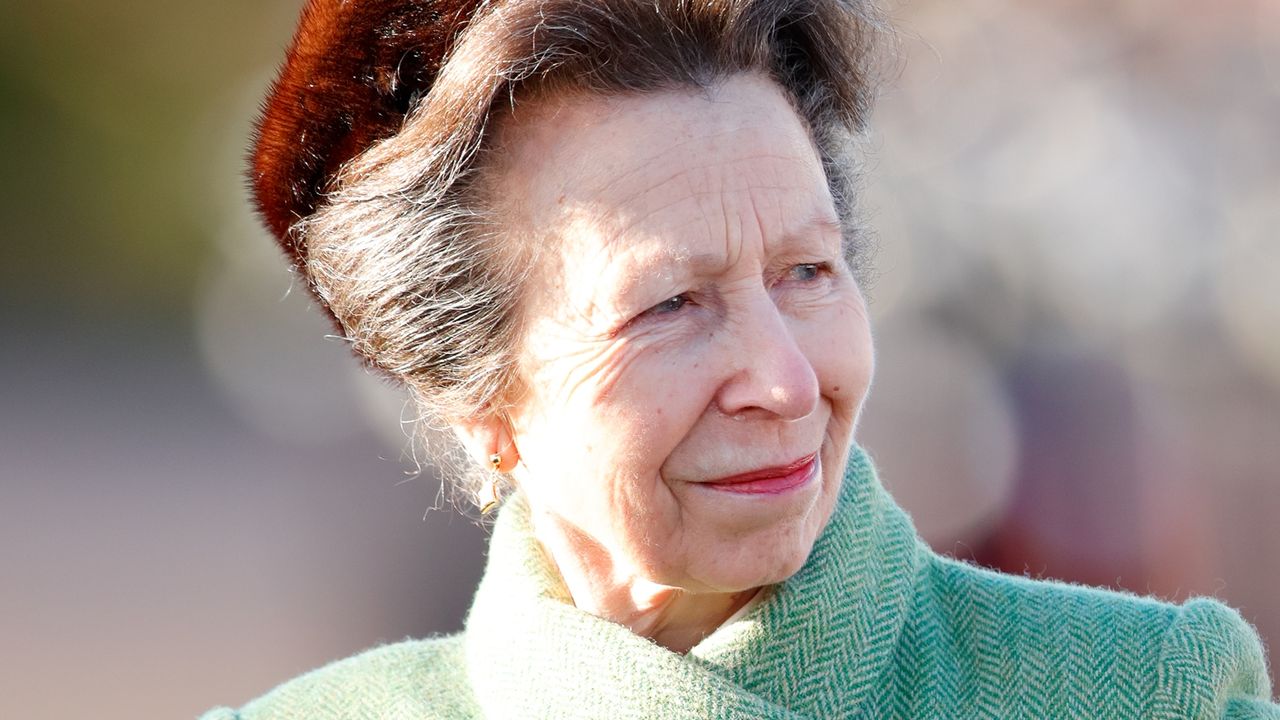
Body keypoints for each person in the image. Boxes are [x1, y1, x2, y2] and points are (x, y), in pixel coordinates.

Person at [204, 0, 1279, 717]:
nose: (784, 380)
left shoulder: (1135, 693)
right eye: (670, 305)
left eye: (807, 273)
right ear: (480, 401)